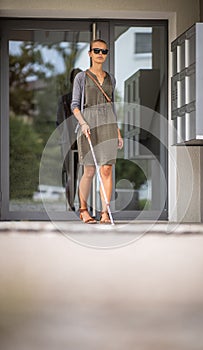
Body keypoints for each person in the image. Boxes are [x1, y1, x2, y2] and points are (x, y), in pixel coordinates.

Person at [71, 39, 123, 224]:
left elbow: (112, 106)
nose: (101, 54)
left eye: (104, 51)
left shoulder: (111, 79)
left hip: (108, 124)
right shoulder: (81, 77)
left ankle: (105, 213)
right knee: (90, 170)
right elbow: (75, 105)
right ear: (90, 53)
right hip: (88, 124)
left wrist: (117, 130)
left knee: (107, 169)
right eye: (97, 50)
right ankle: (83, 210)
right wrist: (83, 123)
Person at [56, 68, 82, 211]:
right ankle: (71, 206)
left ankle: (82, 206)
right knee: (72, 175)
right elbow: (59, 123)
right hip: (69, 142)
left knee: (83, 174)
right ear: (73, 81)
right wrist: (65, 138)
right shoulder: (65, 99)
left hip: (83, 141)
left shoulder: (86, 98)